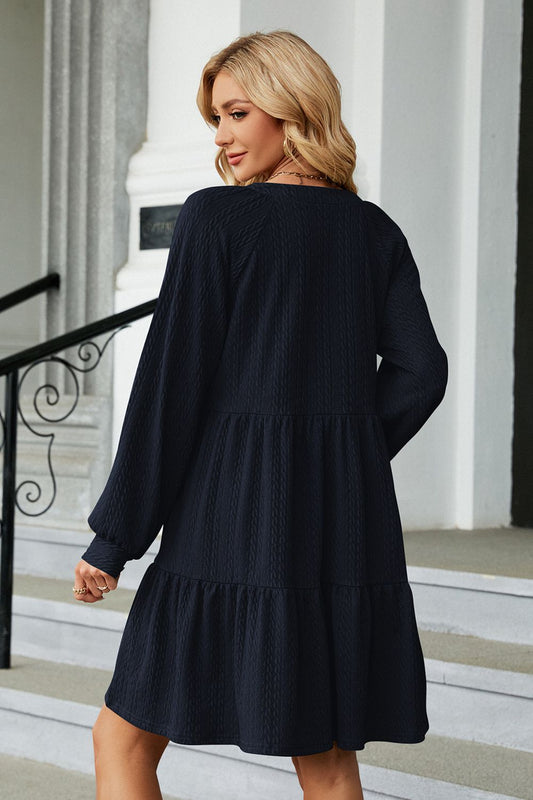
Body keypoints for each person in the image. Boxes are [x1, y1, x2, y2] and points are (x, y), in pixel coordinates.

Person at [73, 29, 448, 800]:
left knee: (122, 736)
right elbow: (420, 372)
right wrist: (342, 457)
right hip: (340, 524)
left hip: (226, 515)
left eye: (236, 113)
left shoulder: (217, 219)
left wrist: (115, 538)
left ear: (290, 109)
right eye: (217, 117)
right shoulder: (373, 230)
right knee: (328, 762)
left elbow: (170, 389)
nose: (221, 136)